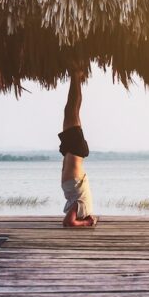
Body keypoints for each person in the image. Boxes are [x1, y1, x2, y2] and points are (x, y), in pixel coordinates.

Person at [58, 71, 97, 227]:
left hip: (73, 151)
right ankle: (76, 77)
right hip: (75, 151)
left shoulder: (82, 206)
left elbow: (70, 219)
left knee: (72, 110)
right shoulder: (83, 208)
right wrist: (86, 223)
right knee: (71, 110)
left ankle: (77, 78)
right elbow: (68, 222)